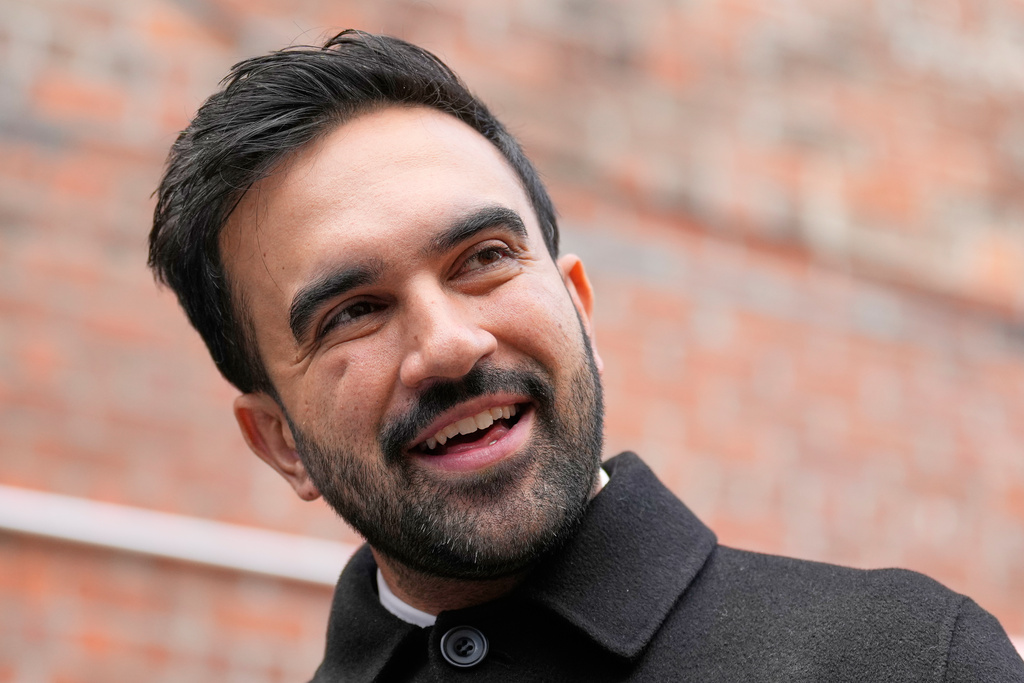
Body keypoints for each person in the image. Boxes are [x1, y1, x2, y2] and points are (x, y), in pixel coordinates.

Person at [148, 30, 1024, 682]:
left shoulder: (908, 660)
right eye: (353, 313)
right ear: (279, 441)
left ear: (580, 307)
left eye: (484, 259)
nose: (450, 345)